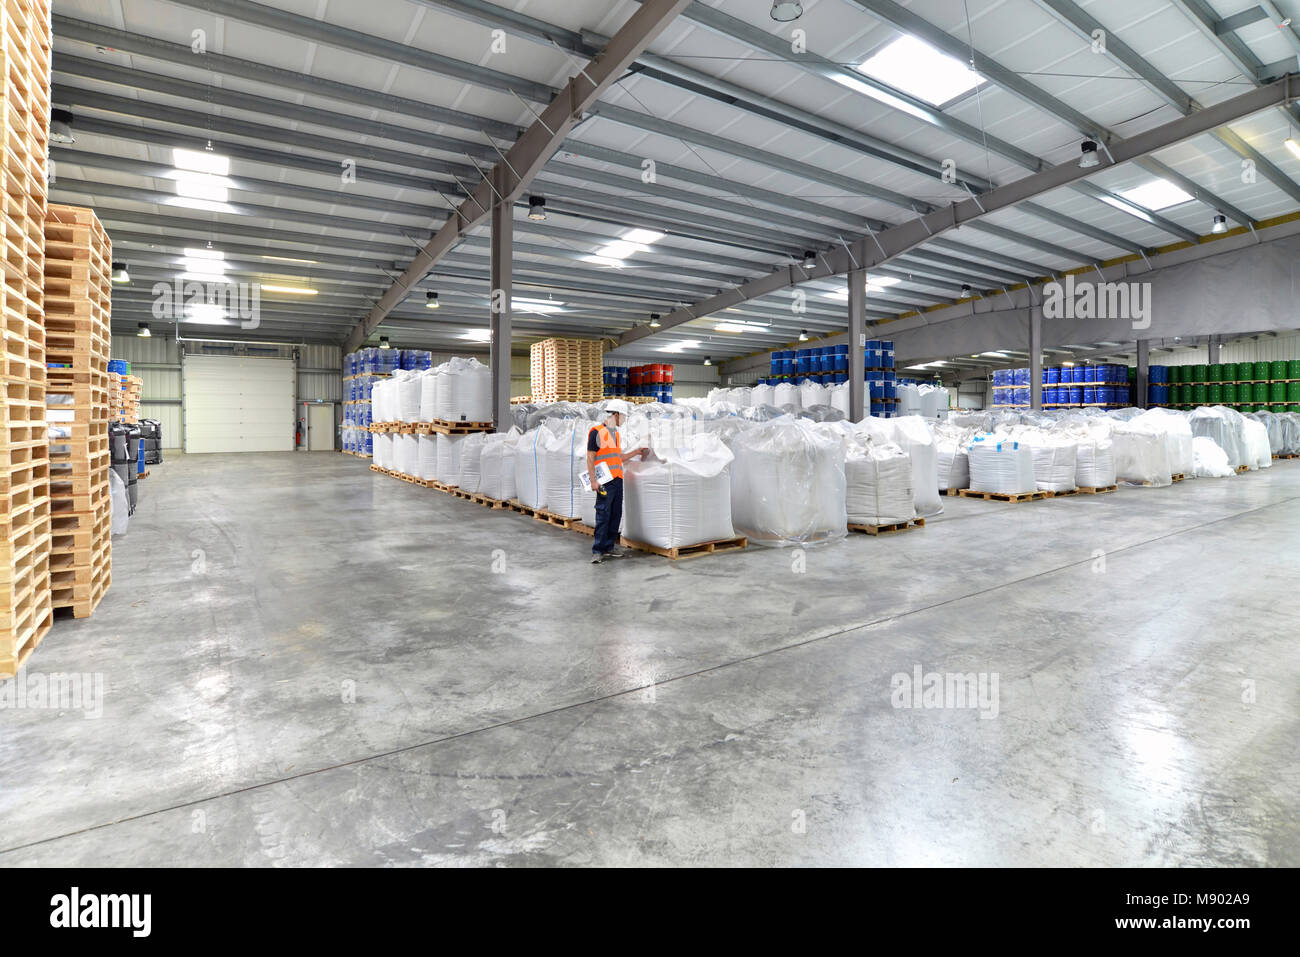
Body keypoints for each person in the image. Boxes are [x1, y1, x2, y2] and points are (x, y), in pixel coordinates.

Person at [587, 400, 648, 564]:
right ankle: (598, 550)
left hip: (617, 479)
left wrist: (636, 451)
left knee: (615, 514)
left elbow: (618, 457)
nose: (624, 420)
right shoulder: (596, 432)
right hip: (604, 482)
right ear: (615, 415)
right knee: (603, 514)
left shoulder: (616, 434)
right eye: (623, 416)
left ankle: (608, 547)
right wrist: (593, 481)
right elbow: (590, 458)